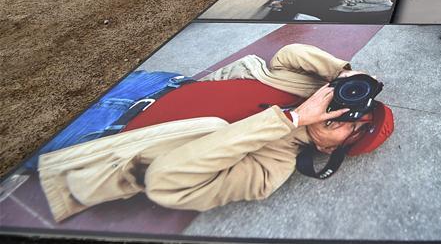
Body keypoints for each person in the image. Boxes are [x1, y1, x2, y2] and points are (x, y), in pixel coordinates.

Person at [33, 44, 394, 222]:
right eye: (357, 113)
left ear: (331, 152)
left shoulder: (271, 169)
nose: (346, 120)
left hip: (102, 131)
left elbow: (165, 180)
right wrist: (343, 74)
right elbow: (288, 53)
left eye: (354, 132)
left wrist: (293, 119)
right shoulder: (312, 89)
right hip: (157, 83)